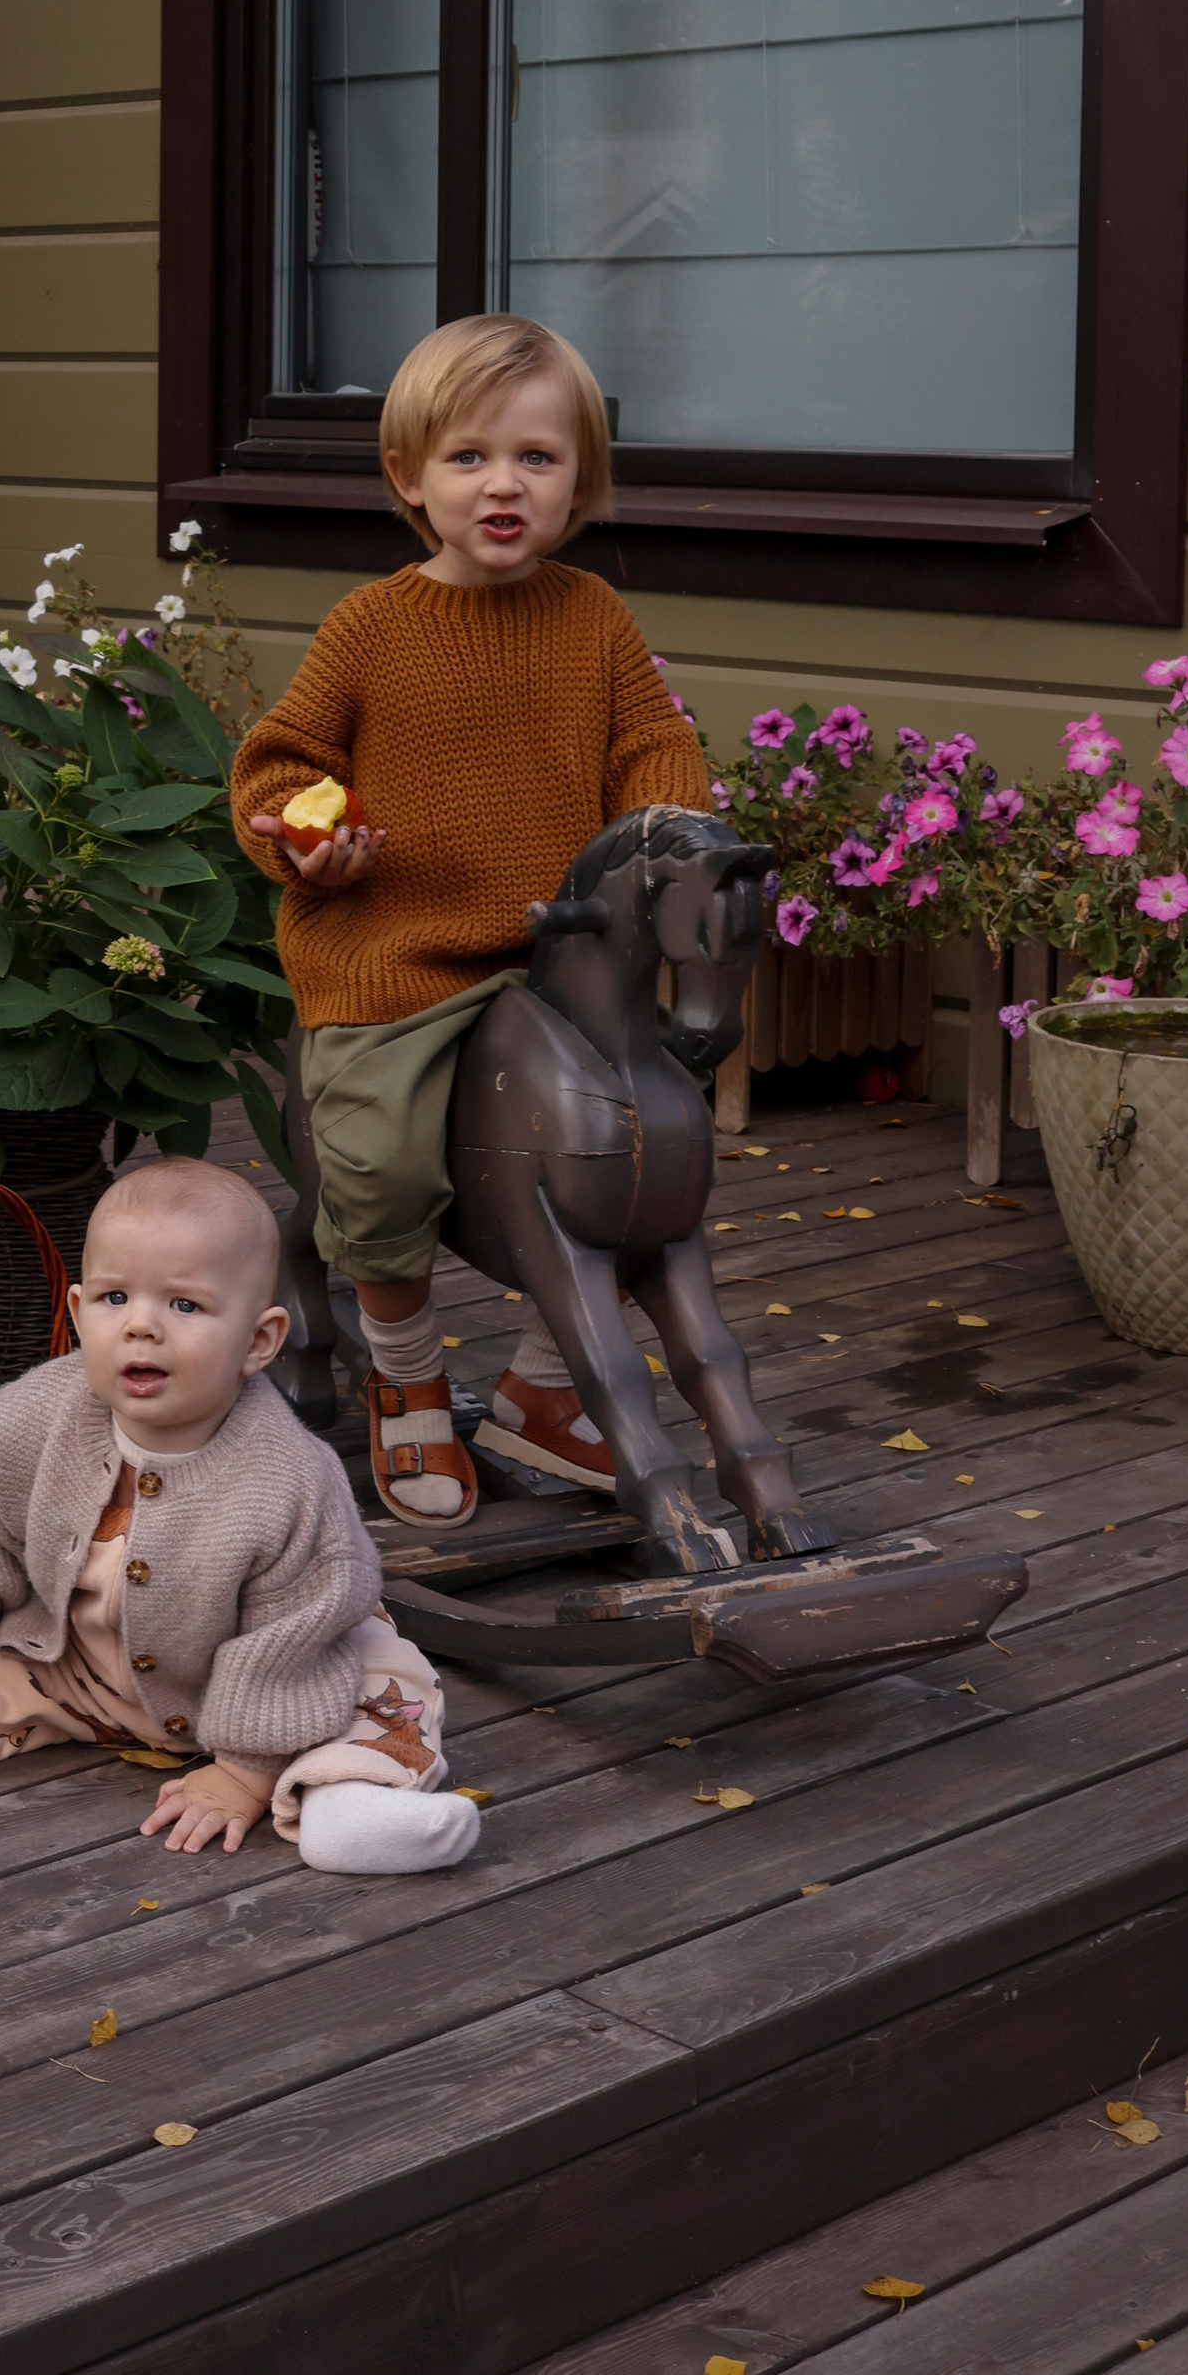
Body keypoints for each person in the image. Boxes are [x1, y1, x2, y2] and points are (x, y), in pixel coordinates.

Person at [231, 316, 710, 1527]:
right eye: (469, 457)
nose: (504, 483)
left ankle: (543, 1396)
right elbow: (276, 766)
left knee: (641, 1161)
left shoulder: (593, 618)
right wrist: (305, 838)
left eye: (538, 459)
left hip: (554, 966)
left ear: (579, 484)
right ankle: (406, 1385)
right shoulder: (369, 628)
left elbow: (650, 741)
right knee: (382, 1164)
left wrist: (673, 832)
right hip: (393, 958)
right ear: (410, 479)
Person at [0, 1158, 480, 1876]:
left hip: (271, 1680)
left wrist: (244, 1770)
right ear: (78, 1312)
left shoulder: (287, 1476)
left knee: (385, 1685)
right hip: (77, 1663)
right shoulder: (34, 1413)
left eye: (184, 1303)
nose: (141, 1325)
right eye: (116, 1298)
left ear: (259, 1341)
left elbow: (292, 1633)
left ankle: (344, 1798)